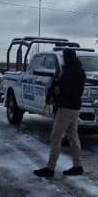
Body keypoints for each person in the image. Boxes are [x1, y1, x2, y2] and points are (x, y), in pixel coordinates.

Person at [34, 49, 86, 178]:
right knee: (73, 137)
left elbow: (66, 90)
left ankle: (50, 168)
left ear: (68, 57)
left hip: (66, 108)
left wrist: (56, 95)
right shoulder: (79, 70)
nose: (63, 59)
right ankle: (78, 166)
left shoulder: (69, 72)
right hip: (75, 108)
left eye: (64, 56)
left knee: (56, 137)